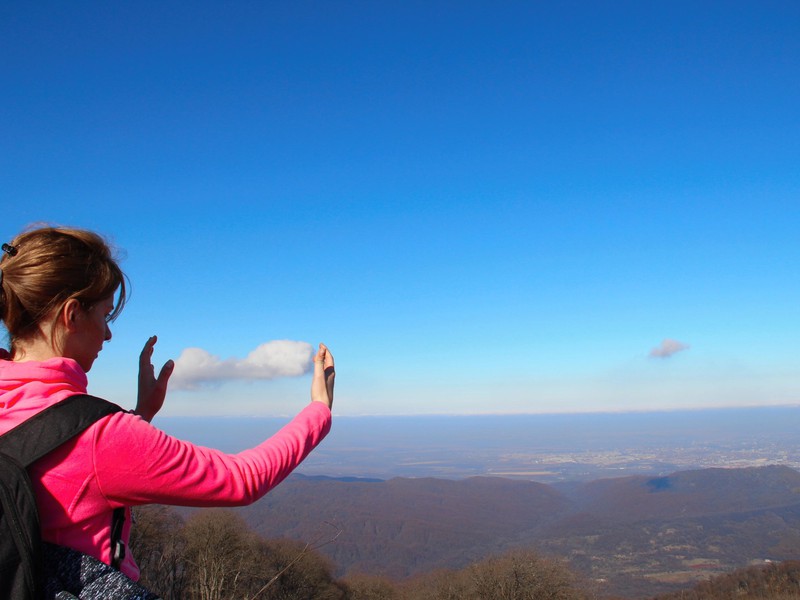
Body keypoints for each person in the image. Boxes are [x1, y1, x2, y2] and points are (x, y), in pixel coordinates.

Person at [0, 226, 335, 584]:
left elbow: (57, 462)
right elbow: (242, 480)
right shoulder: (100, 436)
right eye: (105, 315)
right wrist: (319, 409)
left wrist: (140, 414)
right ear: (72, 315)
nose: (109, 333)